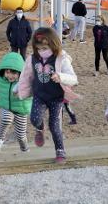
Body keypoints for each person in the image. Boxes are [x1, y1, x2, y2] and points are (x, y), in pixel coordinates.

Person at [16, 27, 79, 164]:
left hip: (56, 97)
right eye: (38, 48)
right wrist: (18, 89)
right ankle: (40, 128)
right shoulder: (32, 59)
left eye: (45, 48)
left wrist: (60, 77)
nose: (41, 51)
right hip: (40, 95)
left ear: (53, 44)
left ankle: (60, 151)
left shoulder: (61, 58)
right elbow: (26, 76)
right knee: (34, 118)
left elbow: (74, 78)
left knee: (54, 125)